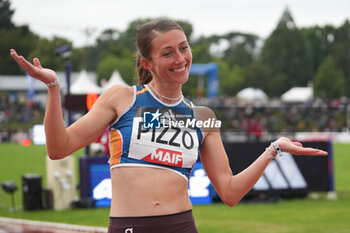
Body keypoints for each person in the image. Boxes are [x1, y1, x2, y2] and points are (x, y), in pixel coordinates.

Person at [10, 18, 327, 233]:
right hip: (129, 225)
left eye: (184, 47)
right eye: (168, 52)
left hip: (182, 225)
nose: (180, 58)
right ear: (147, 63)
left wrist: (272, 150)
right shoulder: (121, 98)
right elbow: (58, 148)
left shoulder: (204, 117)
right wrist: (53, 89)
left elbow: (229, 192)